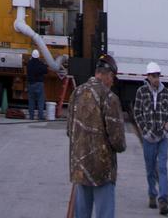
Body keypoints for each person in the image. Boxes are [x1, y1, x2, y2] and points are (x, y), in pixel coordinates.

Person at [67, 52, 126, 218]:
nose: (113, 82)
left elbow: (69, 130)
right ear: (108, 75)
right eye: (113, 78)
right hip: (102, 172)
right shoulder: (109, 98)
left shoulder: (76, 94)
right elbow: (118, 141)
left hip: (80, 167)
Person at [132, 60, 168, 214]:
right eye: (153, 76)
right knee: (150, 169)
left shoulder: (166, 93)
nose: (156, 79)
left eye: (158, 75)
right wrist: (144, 130)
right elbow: (137, 112)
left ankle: (163, 199)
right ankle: (152, 194)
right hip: (149, 138)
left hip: (163, 137)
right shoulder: (141, 92)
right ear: (148, 76)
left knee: (162, 167)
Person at [26, 48, 48, 121]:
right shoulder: (40, 64)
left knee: (31, 101)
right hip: (39, 84)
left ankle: (31, 116)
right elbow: (46, 70)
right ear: (38, 56)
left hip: (31, 84)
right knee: (40, 101)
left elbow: (27, 71)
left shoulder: (29, 64)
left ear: (32, 56)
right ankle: (40, 117)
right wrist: (44, 64)